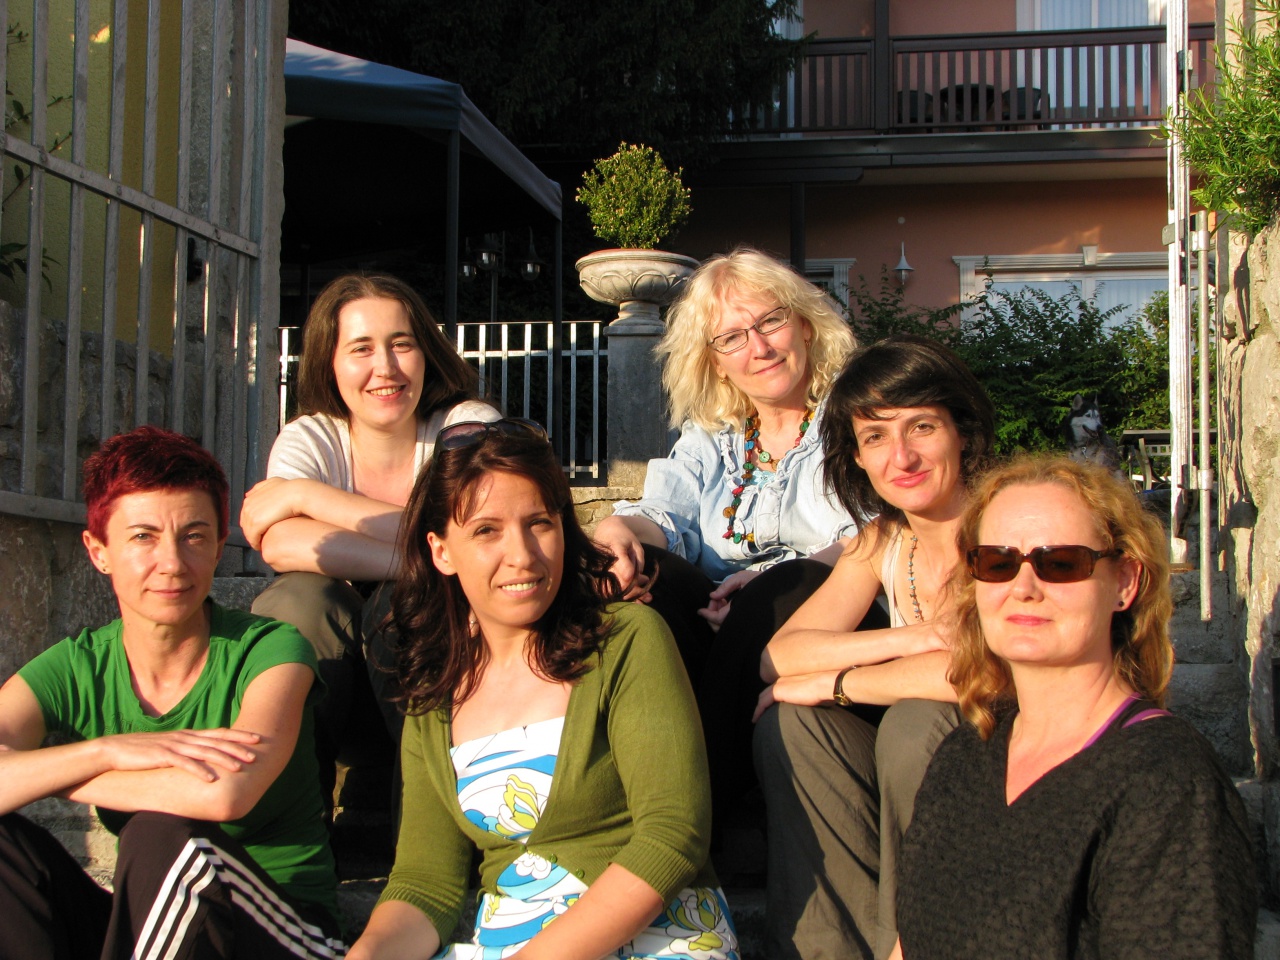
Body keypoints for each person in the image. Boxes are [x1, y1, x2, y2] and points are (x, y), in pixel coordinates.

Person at [346, 418, 738, 960]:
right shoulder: (433, 693)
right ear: (441, 551)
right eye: (486, 530)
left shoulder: (626, 639)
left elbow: (672, 836)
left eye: (540, 523)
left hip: (657, 939)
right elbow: (424, 882)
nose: (523, 555)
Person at [0, 425, 346, 959]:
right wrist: (104, 750)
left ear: (215, 549)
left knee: (161, 835)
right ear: (99, 551)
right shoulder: (78, 665)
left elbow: (224, 793)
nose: (172, 563)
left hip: (283, 929)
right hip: (160, 921)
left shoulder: (271, 650)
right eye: (143, 537)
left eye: (194, 535)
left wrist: (53, 777)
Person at [893, 455, 1256, 959]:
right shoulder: (963, 756)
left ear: (1125, 581)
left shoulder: (1167, 784)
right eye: (998, 562)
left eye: (1060, 562)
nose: (1023, 588)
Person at [592, 247, 882, 830]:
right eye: (732, 338)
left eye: (771, 321)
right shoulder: (712, 435)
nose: (760, 347)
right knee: (643, 570)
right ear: (716, 361)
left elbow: (879, 529)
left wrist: (764, 589)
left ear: (803, 323)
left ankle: (697, 817)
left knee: (790, 581)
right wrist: (617, 530)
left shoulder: (858, 413)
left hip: (830, 611)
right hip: (722, 619)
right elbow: (664, 513)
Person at [752, 335, 996, 959]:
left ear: (961, 432)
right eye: (876, 437)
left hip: (1019, 759)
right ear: (856, 457)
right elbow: (777, 656)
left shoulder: (1003, 523)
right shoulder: (881, 540)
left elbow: (981, 672)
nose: (902, 456)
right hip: (916, 764)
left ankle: (926, 942)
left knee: (915, 724)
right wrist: (914, 636)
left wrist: (836, 681)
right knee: (790, 725)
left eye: (922, 427)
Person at [240, 273, 499, 775]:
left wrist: (303, 495)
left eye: (401, 344)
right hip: (332, 689)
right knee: (299, 600)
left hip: (444, 686)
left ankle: (435, 822)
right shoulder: (310, 439)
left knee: (401, 603)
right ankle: (296, 821)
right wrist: (423, 559)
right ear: (330, 362)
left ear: (426, 352)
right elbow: (283, 543)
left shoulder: (467, 427)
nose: (385, 367)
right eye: (361, 348)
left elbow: (480, 534)